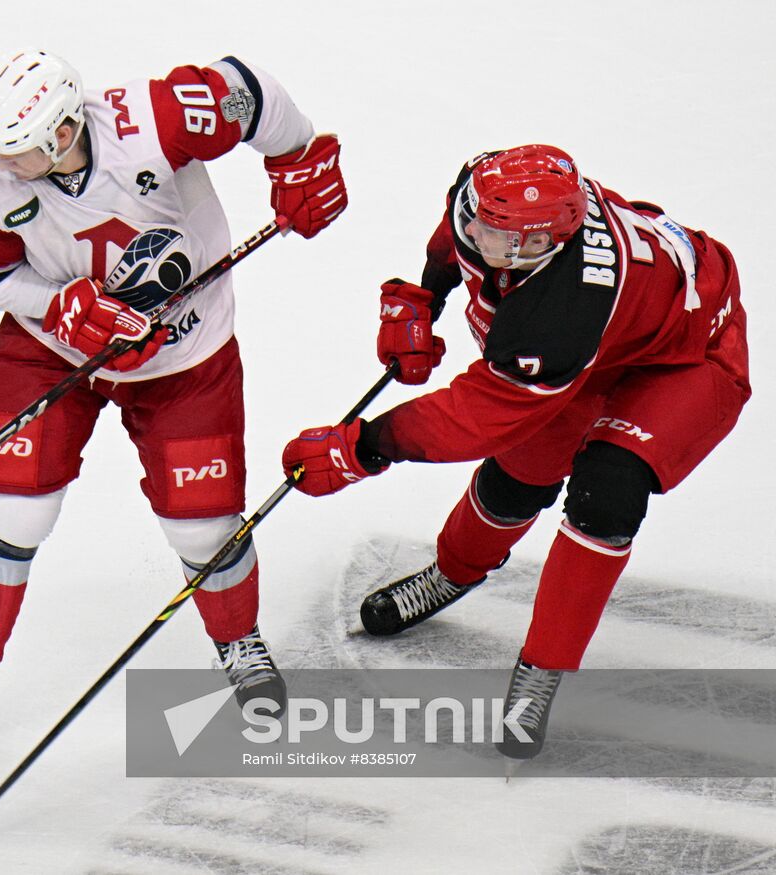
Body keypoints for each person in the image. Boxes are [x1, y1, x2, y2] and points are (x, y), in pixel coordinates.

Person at [0, 48, 347, 745]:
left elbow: (249, 92)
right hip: (50, 350)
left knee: (202, 528)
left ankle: (239, 642)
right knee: (13, 511)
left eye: (15, 150)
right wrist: (55, 304)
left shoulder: (151, 120)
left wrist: (300, 156)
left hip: (186, 354)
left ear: (61, 134)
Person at [280, 144, 749, 759]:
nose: (481, 239)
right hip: (612, 334)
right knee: (518, 477)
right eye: (481, 223)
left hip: (685, 358)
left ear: (546, 244)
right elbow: (457, 232)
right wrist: (425, 297)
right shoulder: (495, 190)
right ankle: (452, 573)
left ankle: (542, 674)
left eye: (506, 242)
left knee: (605, 496)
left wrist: (365, 446)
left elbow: (477, 417)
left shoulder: (561, 310)